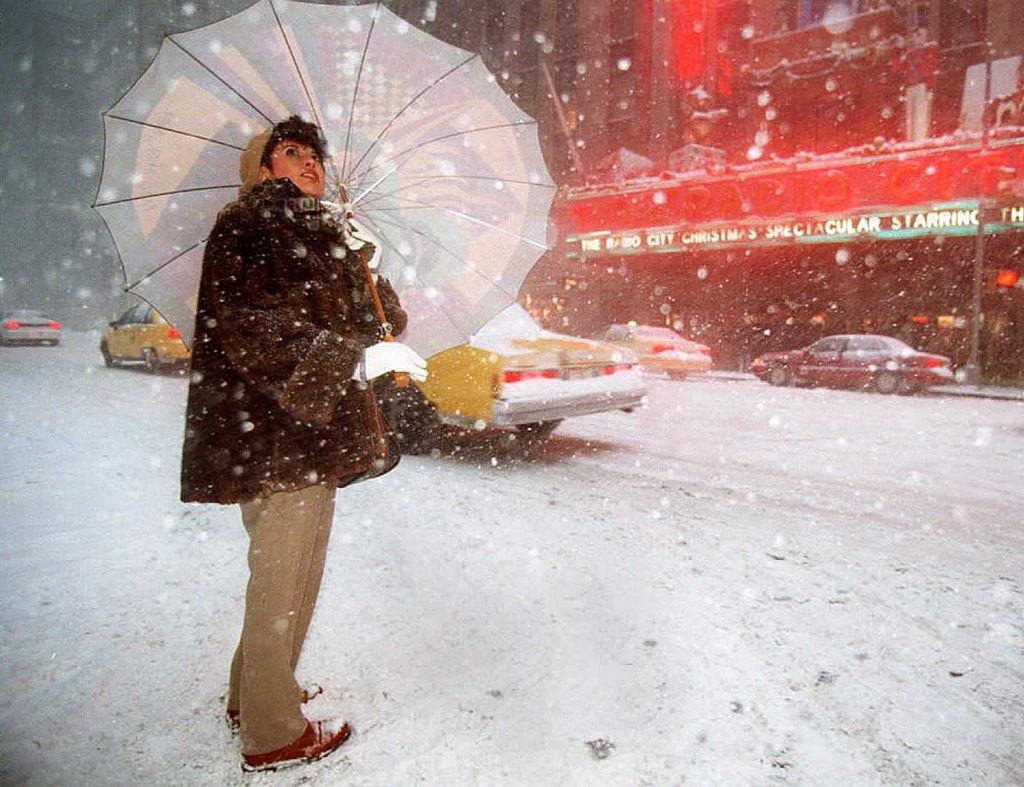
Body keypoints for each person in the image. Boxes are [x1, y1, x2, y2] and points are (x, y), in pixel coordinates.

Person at [180, 116, 427, 772]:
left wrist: (359, 258)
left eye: (314, 152)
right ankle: (273, 732)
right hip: (271, 434)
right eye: (291, 152)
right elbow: (255, 327)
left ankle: (254, 693)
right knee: (283, 582)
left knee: (289, 577)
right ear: (262, 170)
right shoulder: (250, 225)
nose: (310, 161)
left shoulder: (314, 232)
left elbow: (381, 322)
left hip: (304, 434)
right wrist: (341, 360)